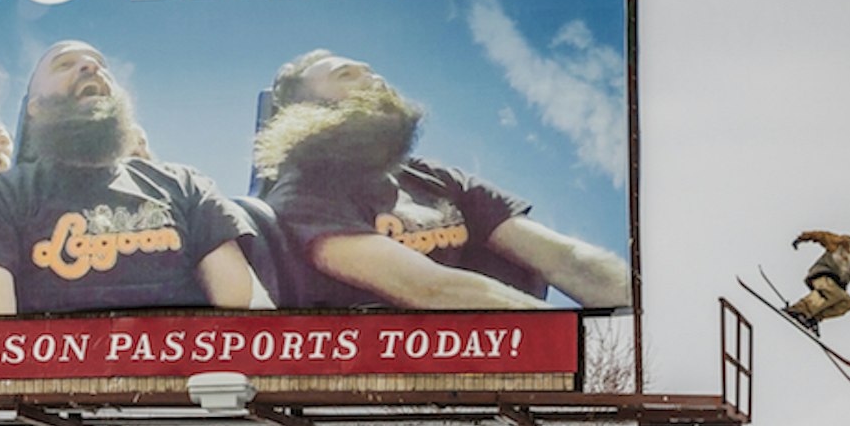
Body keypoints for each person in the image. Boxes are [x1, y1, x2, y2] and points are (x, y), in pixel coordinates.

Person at [255, 50, 631, 311]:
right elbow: (428, 289)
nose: (374, 78)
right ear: (303, 112)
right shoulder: (302, 195)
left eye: (369, 70)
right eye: (346, 75)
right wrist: (569, 341)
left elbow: (566, 260)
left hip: (496, 383)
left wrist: (650, 317)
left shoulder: (437, 179)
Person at [0, 41, 262, 314]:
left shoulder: (187, 187)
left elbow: (246, 313)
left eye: (101, 65)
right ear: (35, 108)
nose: (91, 67)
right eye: (64, 64)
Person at [784, 229, 850, 330]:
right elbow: (821, 236)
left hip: (838, 285)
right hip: (822, 274)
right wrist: (801, 239)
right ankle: (798, 309)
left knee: (847, 303)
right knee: (832, 291)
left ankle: (813, 318)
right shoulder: (843, 244)